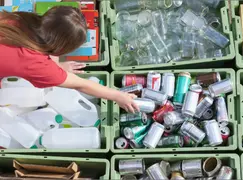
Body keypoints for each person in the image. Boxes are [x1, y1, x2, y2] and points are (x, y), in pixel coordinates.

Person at [0, 6, 139, 113]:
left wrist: (56, 66)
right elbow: (81, 84)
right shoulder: (35, 64)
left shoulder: (23, 19)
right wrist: (119, 96)